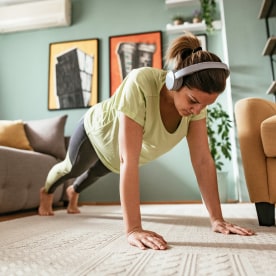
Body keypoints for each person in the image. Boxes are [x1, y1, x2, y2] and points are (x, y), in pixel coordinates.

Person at [39, 33, 254, 250]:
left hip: (115, 156)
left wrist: (216, 218)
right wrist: (133, 229)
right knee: (72, 168)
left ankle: (73, 192)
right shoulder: (141, 82)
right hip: (96, 133)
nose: (197, 111)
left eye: (205, 105)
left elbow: (202, 161)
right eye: (193, 100)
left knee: (94, 174)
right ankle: (46, 192)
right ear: (175, 80)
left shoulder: (196, 109)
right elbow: (127, 159)